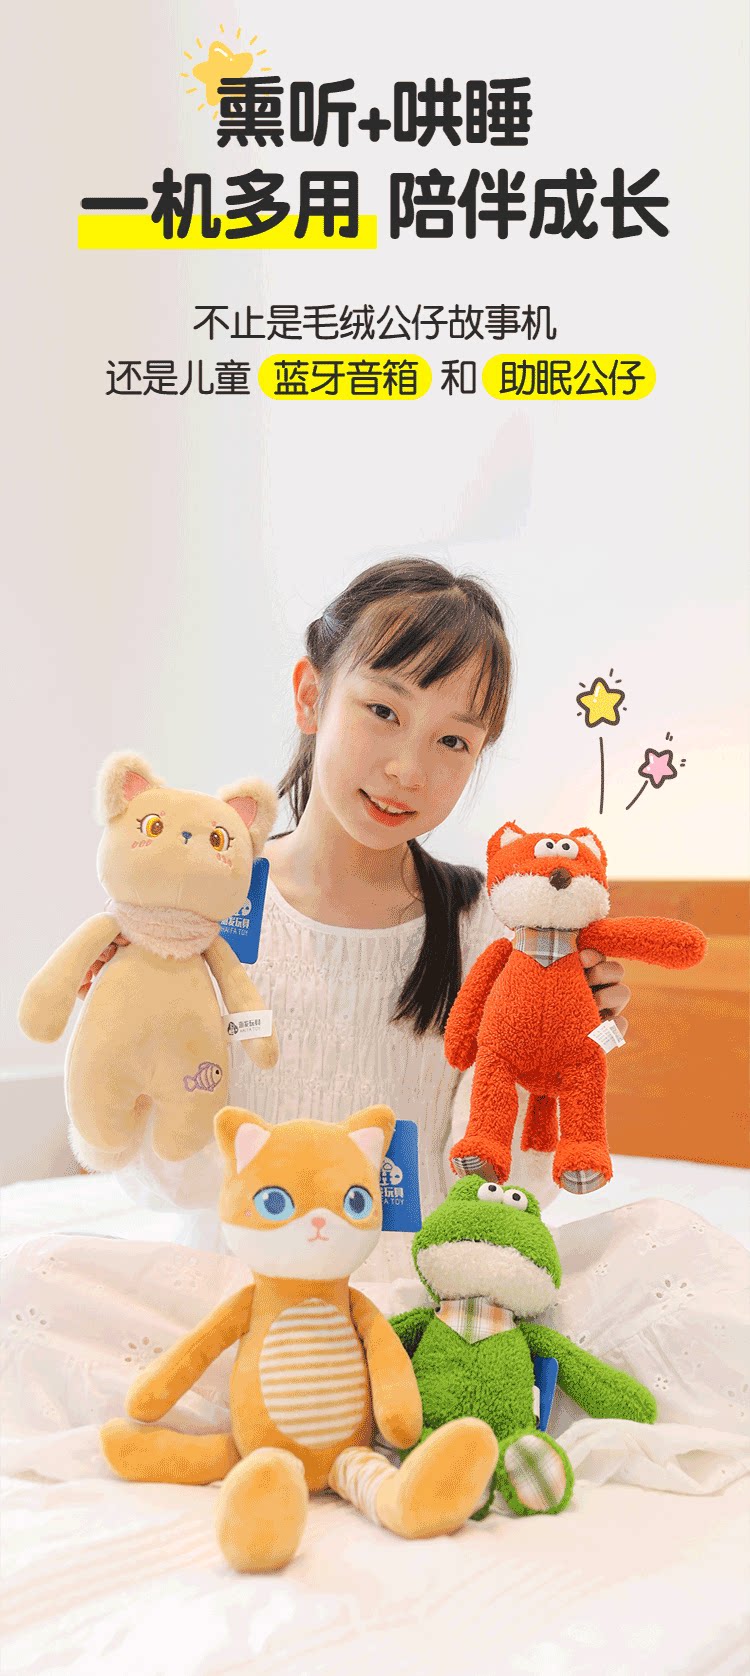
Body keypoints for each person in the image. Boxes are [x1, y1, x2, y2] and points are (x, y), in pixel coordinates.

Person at [119, 557, 631, 1283]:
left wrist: (578, 1043)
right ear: (311, 697)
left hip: (416, 1304)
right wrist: (123, 1021)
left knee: (670, 1253)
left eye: (453, 741)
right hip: (235, 1296)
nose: (408, 770)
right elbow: (151, 1166)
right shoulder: (206, 902)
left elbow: (508, 1189)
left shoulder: (488, 930)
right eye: (384, 712)